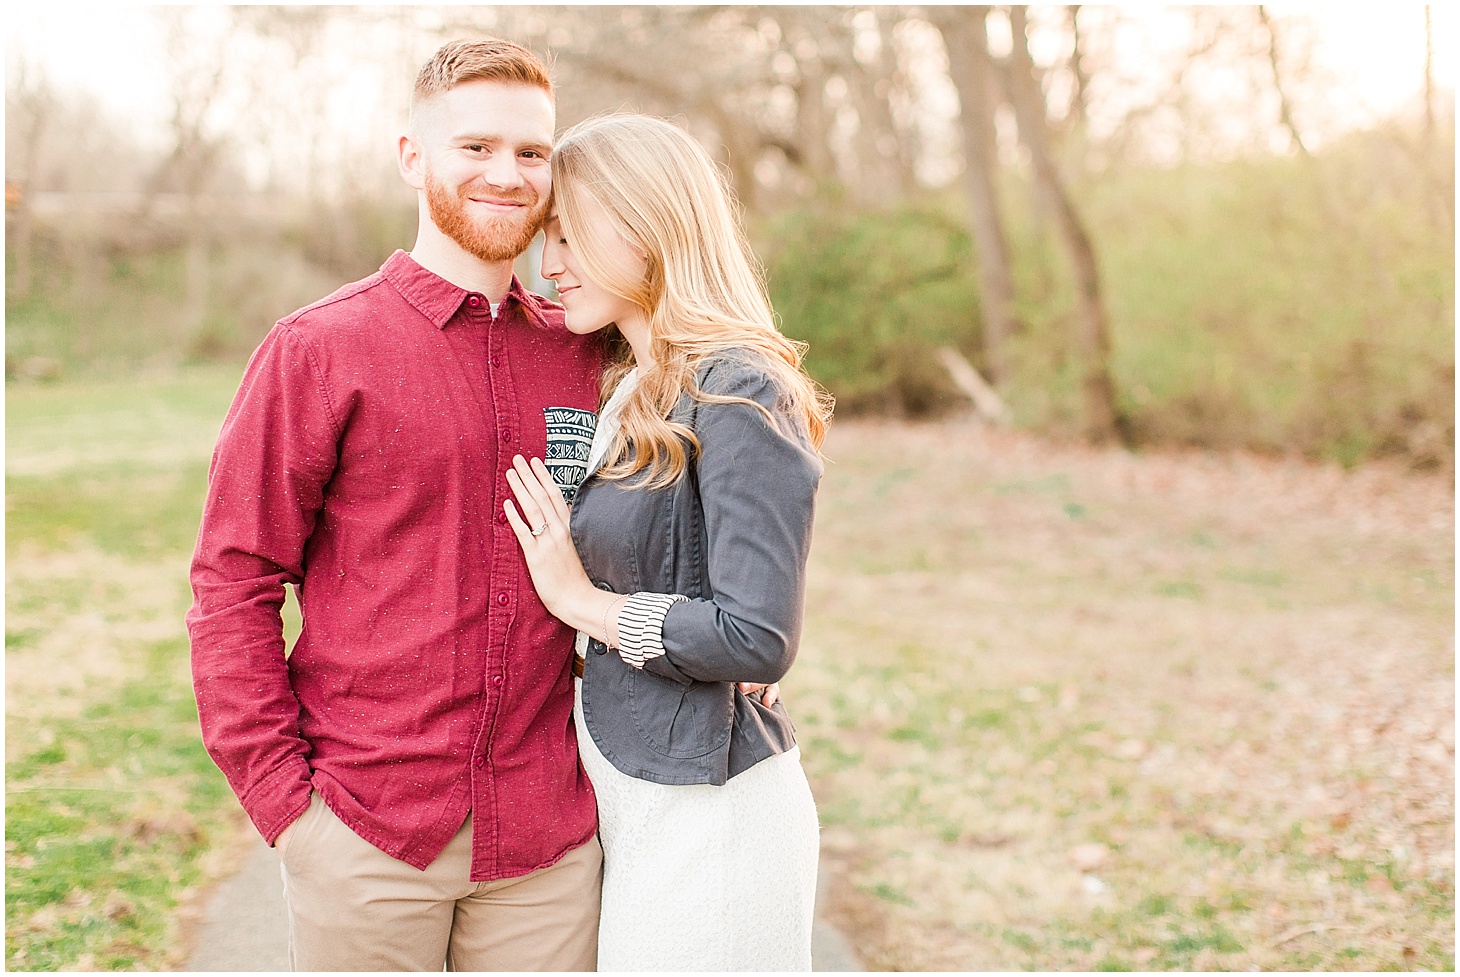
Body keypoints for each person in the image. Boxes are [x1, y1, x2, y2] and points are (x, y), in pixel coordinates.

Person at [186, 38, 606, 971]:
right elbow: (233, 582)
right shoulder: (318, 350)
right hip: (366, 833)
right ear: (413, 156)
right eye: (476, 147)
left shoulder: (587, 352)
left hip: (547, 842)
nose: (507, 174)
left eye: (532, 153)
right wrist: (287, 806)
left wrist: (735, 634)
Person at [501, 113, 833, 972]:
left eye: (570, 235)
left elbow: (757, 634)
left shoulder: (742, 387)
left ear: (646, 227)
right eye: (548, 238)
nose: (551, 263)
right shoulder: (635, 390)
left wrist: (583, 602)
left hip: (712, 814)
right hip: (633, 796)